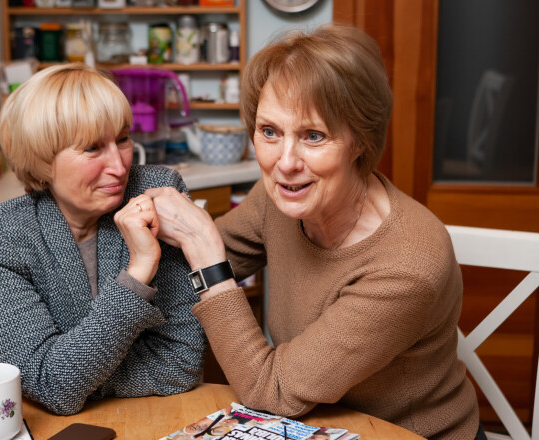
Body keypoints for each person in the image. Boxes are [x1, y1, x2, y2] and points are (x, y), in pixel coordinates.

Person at [145, 24, 481, 440]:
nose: (285, 163)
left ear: (360, 140)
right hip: (313, 425)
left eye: (313, 136)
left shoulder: (407, 265)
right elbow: (181, 271)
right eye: (270, 132)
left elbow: (272, 389)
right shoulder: (281, 200)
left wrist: (205, 254)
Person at [0, 63, 205, 416]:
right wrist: (138, 272)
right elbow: (51, 385)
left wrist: (69, 380)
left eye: (122, 139)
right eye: (92, 148)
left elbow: (181, 362)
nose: (119, 166)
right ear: (42, 160)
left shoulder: (157, 196)